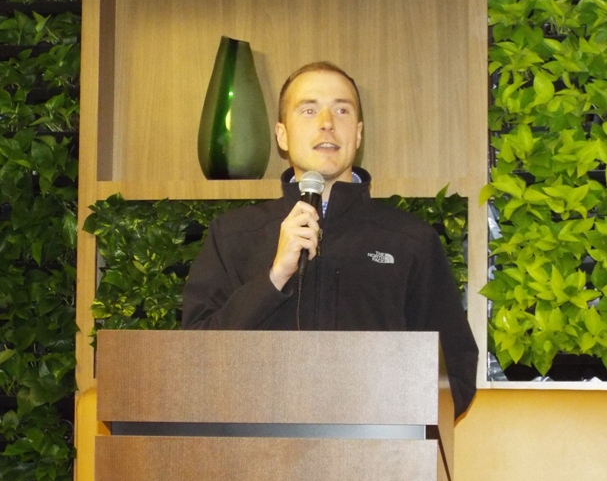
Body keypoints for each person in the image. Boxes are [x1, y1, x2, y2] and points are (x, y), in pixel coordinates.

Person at [181, 62, 478, 415]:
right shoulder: (233, 236)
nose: (326, 122)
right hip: (258, 444)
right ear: (282, 135)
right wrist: (273, 278)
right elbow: (194, 359)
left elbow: (454, 375)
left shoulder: (410, 241)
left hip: (375, 445)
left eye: (341, 110)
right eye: (309, 110)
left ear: (358, 134)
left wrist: (387, 423)